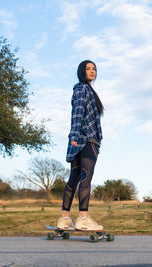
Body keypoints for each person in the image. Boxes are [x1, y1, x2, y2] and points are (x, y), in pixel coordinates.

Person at [56, 60, 104, 231]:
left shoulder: (84, 90)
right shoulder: (83, 89)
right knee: (86, 177)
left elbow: (78, 113)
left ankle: (64, 219)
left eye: (94, 69)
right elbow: (77, 113)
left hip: (78, 139)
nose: (92, 71)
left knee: (74, 178)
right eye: (88, 68)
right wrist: (75, 134)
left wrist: (74, 136)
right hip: (87, 139)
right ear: (81, 71)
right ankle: (83, 218)